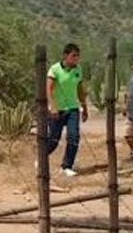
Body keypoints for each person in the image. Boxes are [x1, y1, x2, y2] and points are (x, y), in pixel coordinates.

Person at [46, 43, 88, 177]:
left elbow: (80, 89)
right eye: (73, 56)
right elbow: (49, 89)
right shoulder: (55, 69)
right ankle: (41, 157)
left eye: (77, 56)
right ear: (65, 55)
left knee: (73, 137)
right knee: (54, 139)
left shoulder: (78, 70)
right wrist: (53, 106)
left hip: (73, 109)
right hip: (58, 110)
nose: (76, 59)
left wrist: (84, 106)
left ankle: (66, 166)